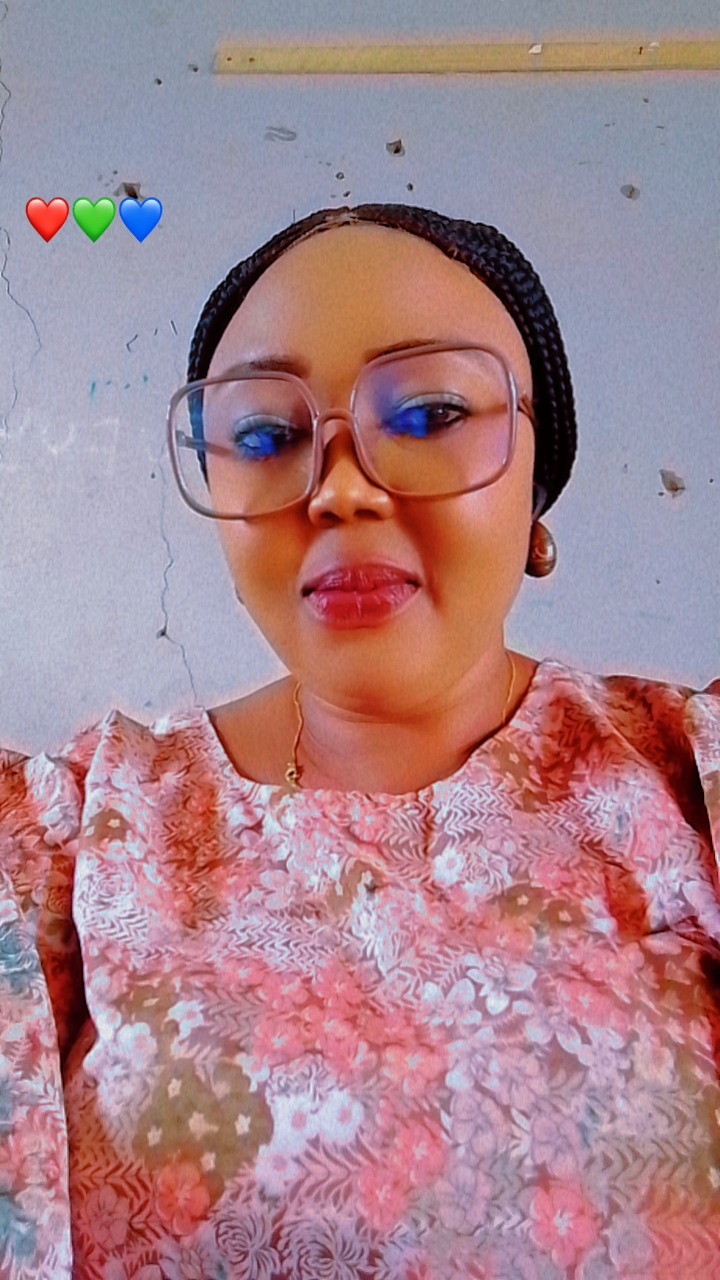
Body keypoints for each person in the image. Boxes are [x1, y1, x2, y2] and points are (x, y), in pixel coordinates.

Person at [0, 202, 719, 1280]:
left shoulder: (688, 782)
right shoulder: (69, 840)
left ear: (536, 481)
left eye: (430, 413)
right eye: (263, 436)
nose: (339, 489)